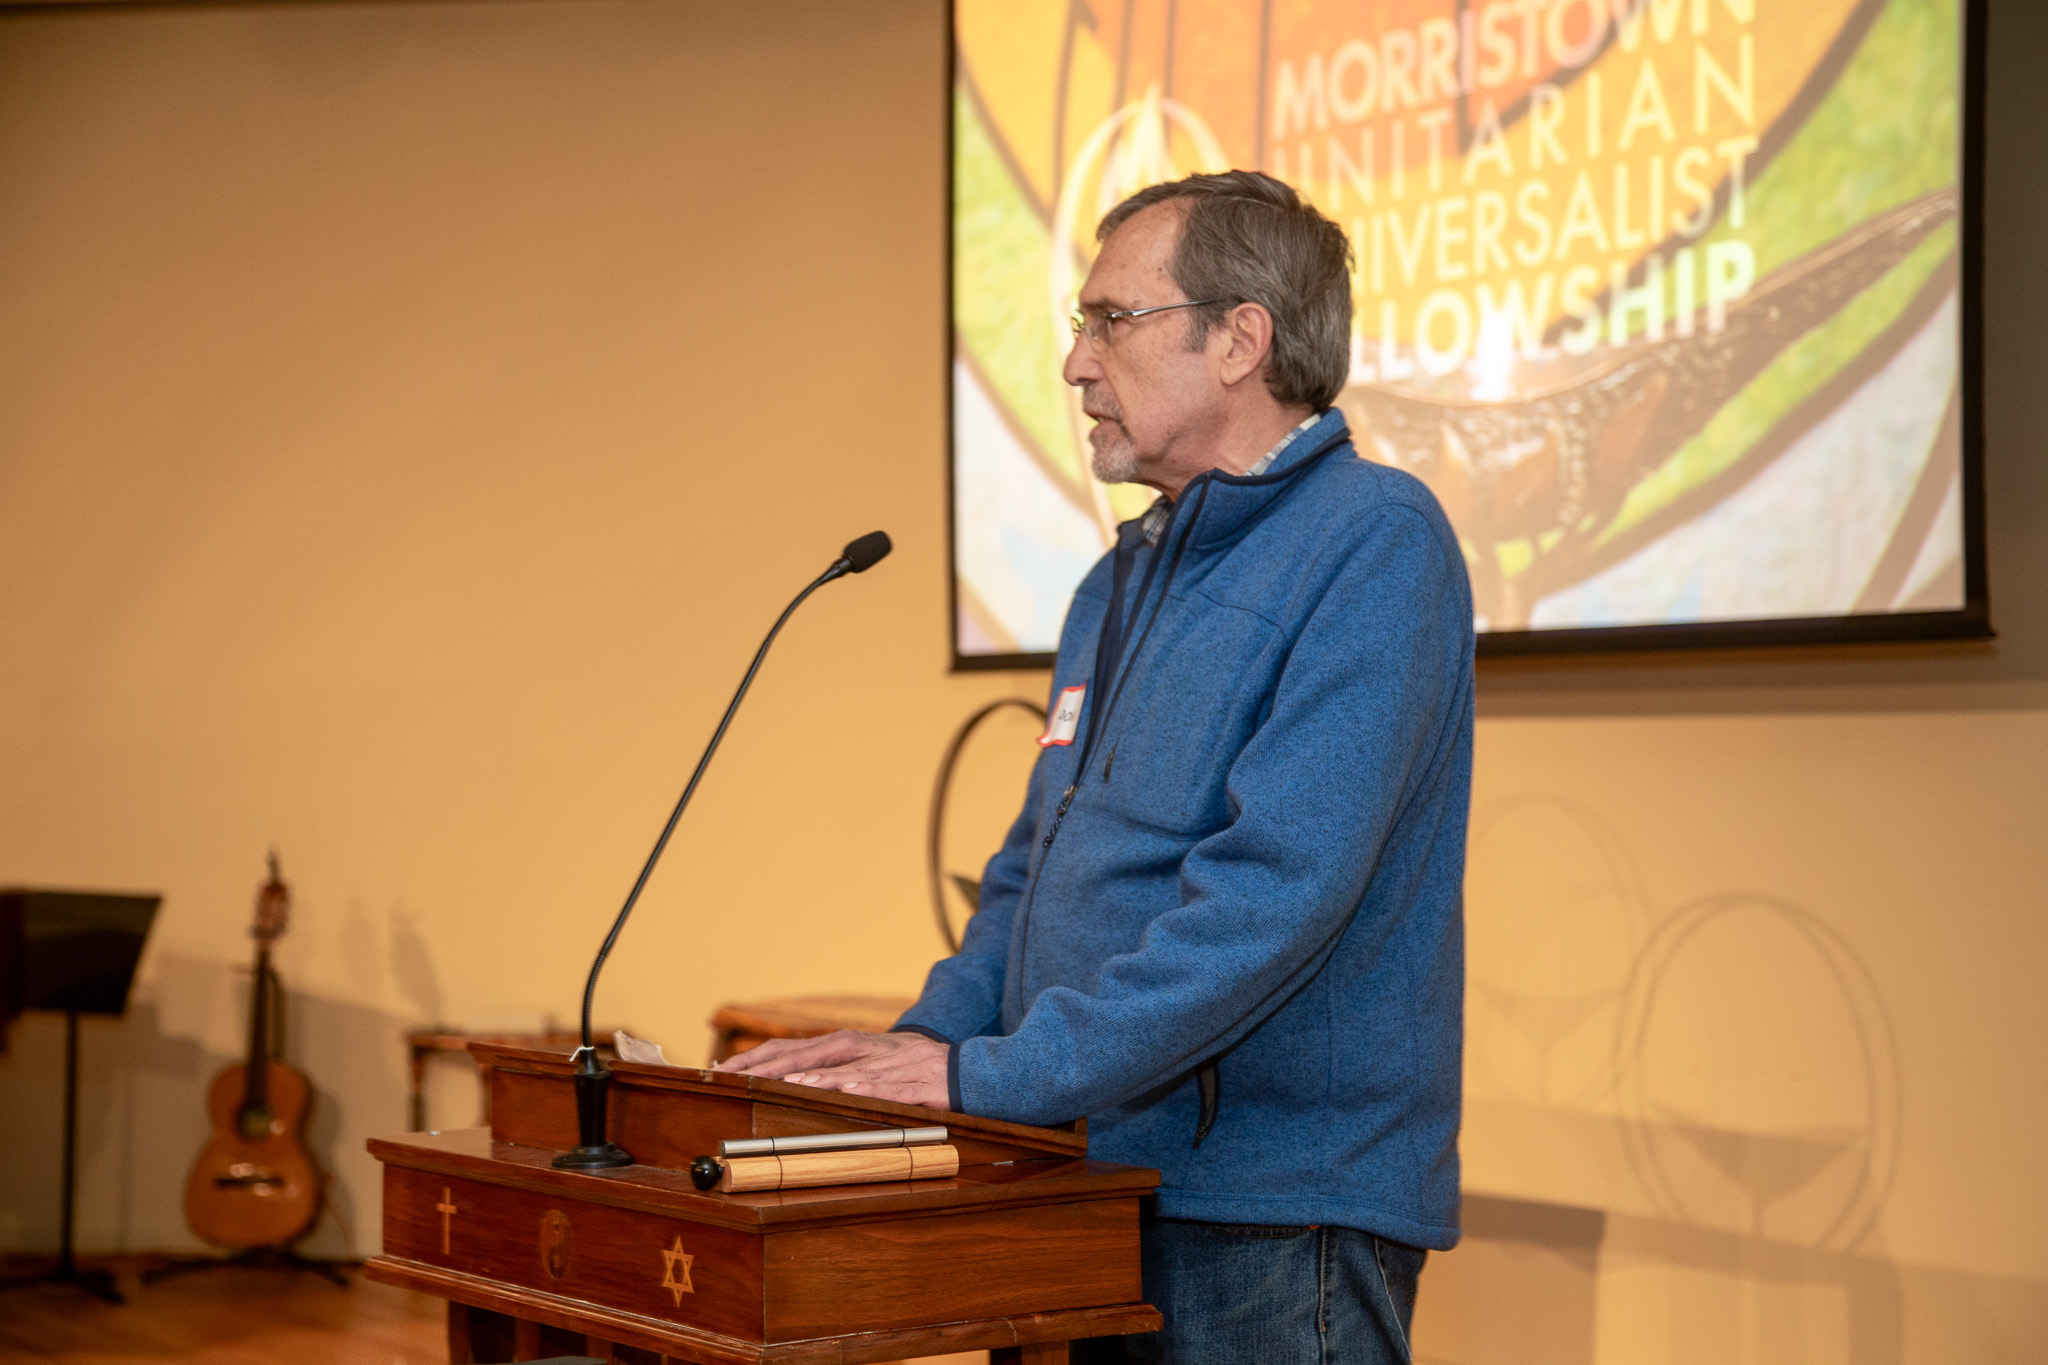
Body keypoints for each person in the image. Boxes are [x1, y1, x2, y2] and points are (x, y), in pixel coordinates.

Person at [720, 170, 1474, 1364]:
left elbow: (1272, 899)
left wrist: (991, 1079)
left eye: (1109, 320)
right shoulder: (1113, 582)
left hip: (1269, 1214)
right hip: (1077, 1180)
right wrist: (915, 1057)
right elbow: (1029, 875)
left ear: (1239, 341)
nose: (1075, 363)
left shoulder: (1373, 541)